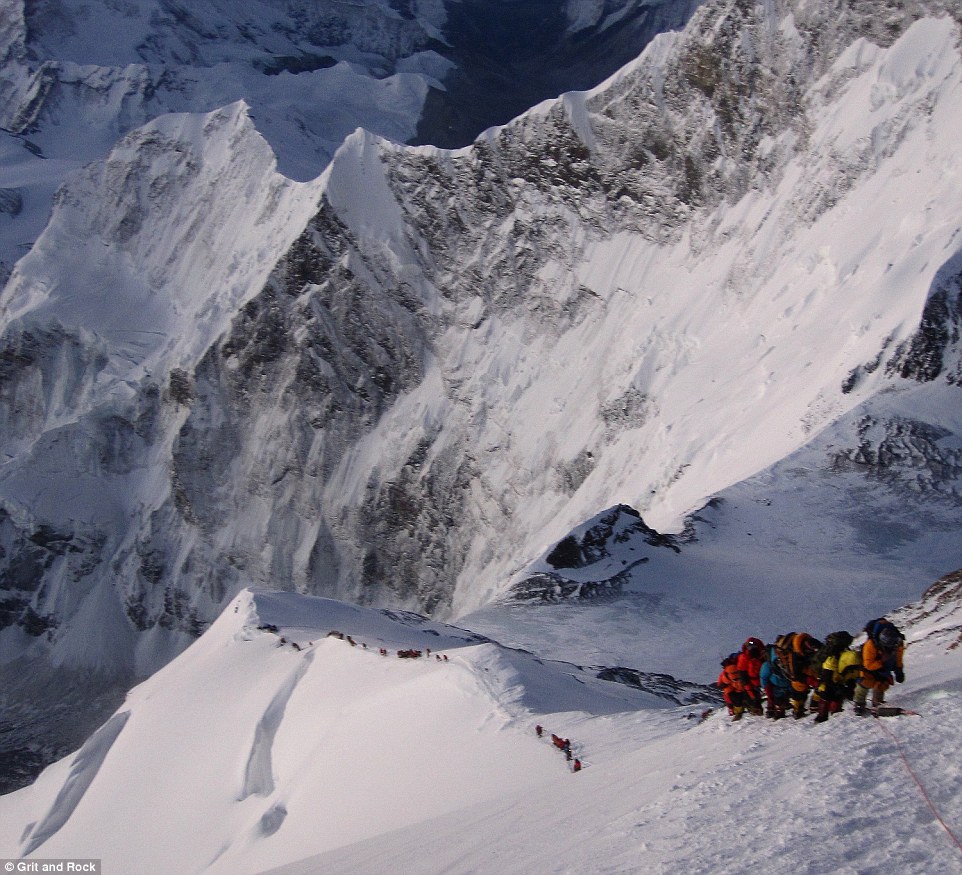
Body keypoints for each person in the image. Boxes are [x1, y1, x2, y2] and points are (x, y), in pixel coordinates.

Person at [854, 618, 905, 715]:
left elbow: (898, 658)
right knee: (865, 682)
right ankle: (859, 703)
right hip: (870, 667)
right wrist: (881, 662)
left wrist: (899, 671)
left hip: (884, 667)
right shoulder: (870, 645)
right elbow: (868, 664)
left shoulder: (898, 643)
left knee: (882, 683)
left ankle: (878, 702)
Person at [775, 632, 822, 719]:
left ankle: (805, 707)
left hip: (807, 669)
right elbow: (796, 675)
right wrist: (811, 680)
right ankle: (799, 708)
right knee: (799, 687)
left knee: (818, 683)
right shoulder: (794, 656)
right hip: (801, 674)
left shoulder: (802, 649)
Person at [812, 631, 855, 723]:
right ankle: (822, 716)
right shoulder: (833, 657)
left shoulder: (841, 655)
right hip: (828, 683)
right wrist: (840, 688)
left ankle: (830, 715)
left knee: (833, 694)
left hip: (834, 681)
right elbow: (827, 677)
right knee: (827, 692)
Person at [759, 641, 792, 719]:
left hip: (777, 687)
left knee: (777, 699)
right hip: (787, 685)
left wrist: (765, 687)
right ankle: (781, 709)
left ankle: (777, 710)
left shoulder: (768, 664)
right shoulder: (784, 659)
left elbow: (763, 677)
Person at [735, 637, 766, 716]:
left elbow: (742, 674)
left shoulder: (744, 657)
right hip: (759, 680)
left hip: (754, 681)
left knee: (750, 694)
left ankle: (755, 708)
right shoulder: (763, 653)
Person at [718, 653, 748, 720]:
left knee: (733, 700)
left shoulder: (726, 671)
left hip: (733, 691)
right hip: (744, 688)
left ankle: (735, 712)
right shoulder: (742, 666)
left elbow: (721, 683)